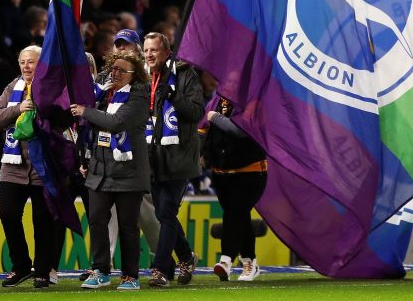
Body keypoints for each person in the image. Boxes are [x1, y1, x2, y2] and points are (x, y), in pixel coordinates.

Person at [71, 50, 151, 291]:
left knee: (128, 226)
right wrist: (86, 158)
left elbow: (116, 123)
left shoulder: (138, 98)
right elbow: (92, 131)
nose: (115, 73)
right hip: (100, 168)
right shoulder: (103, 94)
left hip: (128, 172)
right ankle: (100, 271)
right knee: (96, 220)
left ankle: (130, 276)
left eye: (122, 70)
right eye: (113, 68)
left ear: (134, 75)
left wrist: (86, 111)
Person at [0, 45, 59, 288]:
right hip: (13, 165)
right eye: (22, 62)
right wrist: (19, 108)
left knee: (43, 220)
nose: (26, 66)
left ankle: (42, 271)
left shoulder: (53, 87)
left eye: (31, 62)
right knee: (8, 214)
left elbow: (66, 117)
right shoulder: (12, 87)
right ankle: (20, 266)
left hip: (43, 165)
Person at [143, 31, 202, 286]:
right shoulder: (143, 77)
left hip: (179, 157)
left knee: (166, 211)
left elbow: (196, 111)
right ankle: (187, 257)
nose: (148, 55)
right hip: (152, 157)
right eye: (145, 50)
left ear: (167, 52)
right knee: (162, 213)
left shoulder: (186, 74)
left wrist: (173, 95)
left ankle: (160, 270)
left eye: (153, 50)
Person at [205, 94, 267, 282]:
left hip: (250, 172)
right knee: (240, 216)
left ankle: (226, 259)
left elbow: (240, 130)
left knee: (234, 213)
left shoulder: (255, 100)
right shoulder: (217, 100)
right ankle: (250, 261)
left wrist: (214, 117)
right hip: (221, 173)